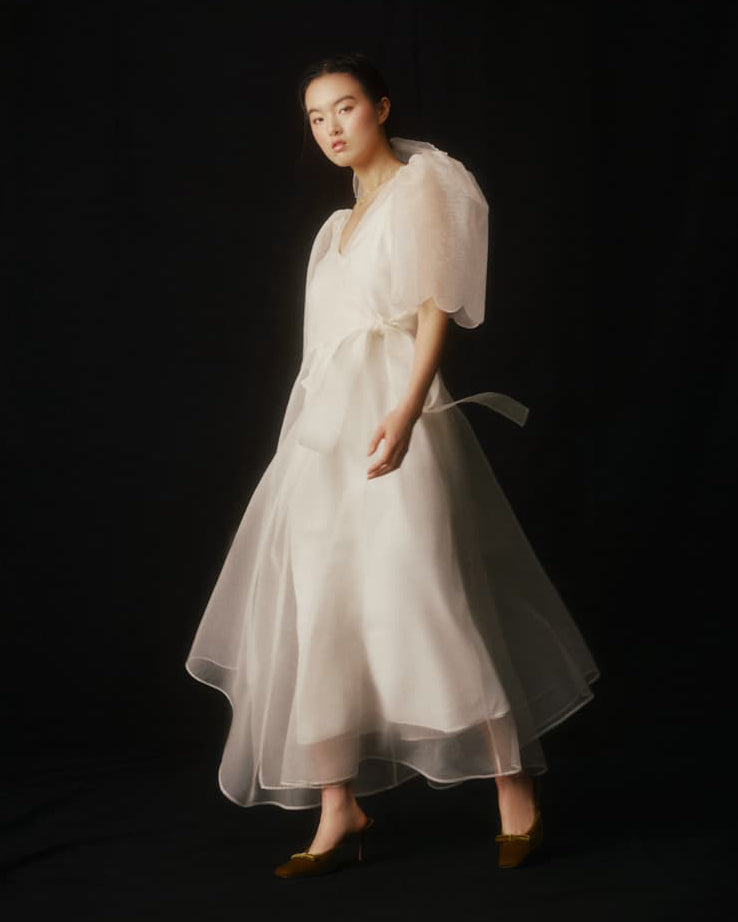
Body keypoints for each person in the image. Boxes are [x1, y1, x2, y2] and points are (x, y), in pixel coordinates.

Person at [185, 51, 600, 879]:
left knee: (427, 590)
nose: (331, 128)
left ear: (380, 107)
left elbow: (432, 307)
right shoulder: (331, 230)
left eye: (344, 108)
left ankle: (513, 788)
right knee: (322, 603)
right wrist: (302, 441)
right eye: (315, 117)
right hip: (322, 434)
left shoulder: (425, 186)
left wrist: (409, 409)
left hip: (393, 407)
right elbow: (318, 353)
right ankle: (341, 805)